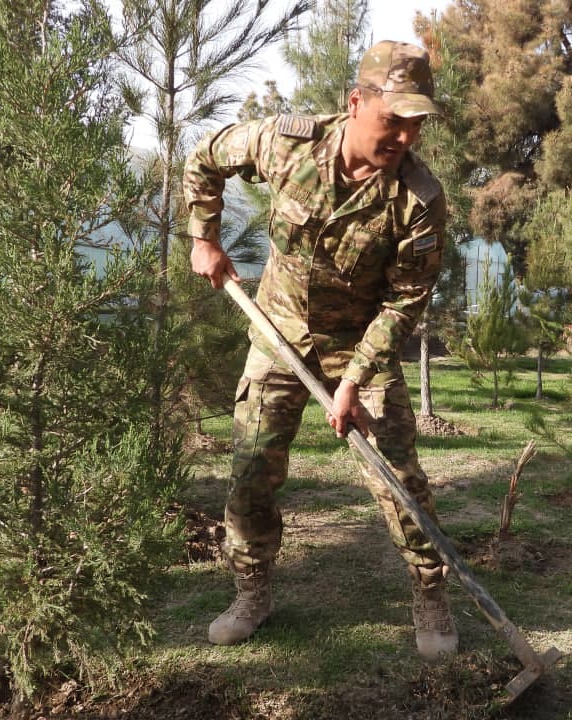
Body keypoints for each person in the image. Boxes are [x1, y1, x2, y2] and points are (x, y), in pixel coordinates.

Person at [182, 40, 456, 660]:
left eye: (417, 124)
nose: (406, 138)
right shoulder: (286, 144)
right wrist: (204, 236)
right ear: (355, 102)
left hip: (359, 347)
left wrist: (356, 380)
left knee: (399, 480)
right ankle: (252, 591)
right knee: (252, 470)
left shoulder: (418, 200)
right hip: (276, 332)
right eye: (394, 120)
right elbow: (203, 159)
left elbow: (405, 301)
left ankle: (430, 592)